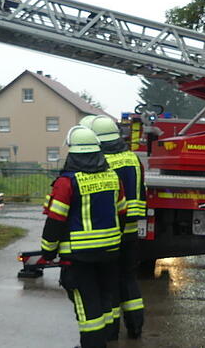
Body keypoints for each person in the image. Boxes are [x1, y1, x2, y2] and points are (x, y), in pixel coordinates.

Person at [41, 126, 125, 348]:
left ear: (72, 153)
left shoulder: (66, 183)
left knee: (87, 307)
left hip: (78, 258)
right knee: (105, 299)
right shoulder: (113, 177)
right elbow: (122, 213)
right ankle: (106, 341)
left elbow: (55, 221)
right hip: (110, 252)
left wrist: (48, 251)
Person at [88, 115, 145, 340]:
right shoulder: (133, 159)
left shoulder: (100, 161)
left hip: (111, 231)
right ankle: (135, 326)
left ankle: (111, 332)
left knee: (109, 281)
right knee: (129, 278)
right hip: (132, 230)